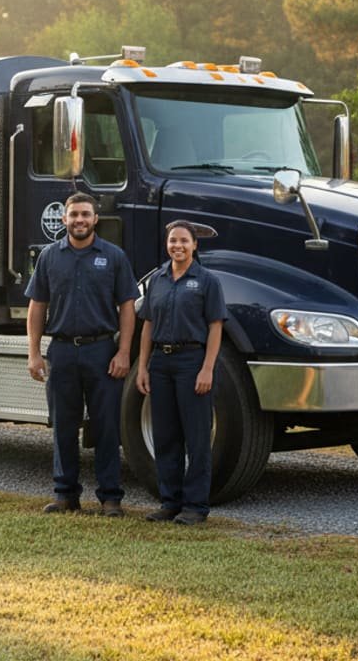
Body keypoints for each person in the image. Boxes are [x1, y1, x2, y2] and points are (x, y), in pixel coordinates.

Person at [25, 192, 135, 517]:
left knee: (106, 427)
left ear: (95, 219)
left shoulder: (114, 257)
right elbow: (37, 306)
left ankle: (110, 498)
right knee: (63, 425)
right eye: (74, 215)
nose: (80, 220)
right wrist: (33, 353)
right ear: (64, 219)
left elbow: (127, 307)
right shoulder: (48, 257)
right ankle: (65, 495)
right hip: (60, 351)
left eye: (86, 214)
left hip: (102, 351)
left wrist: (124, 352)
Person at [135, 220, 227, 525]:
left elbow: (216, 327)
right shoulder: (157, 280)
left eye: (184, 241)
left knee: (197, 438)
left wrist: (207, 369)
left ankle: (195, 507)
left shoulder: (207, 281)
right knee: (165, 437)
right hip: (161, 362)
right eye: (173, 241)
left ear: (194, 245)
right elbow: (147, 324)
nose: (178, 246)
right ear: (167, 244)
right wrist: (143, 367)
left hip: (192, 362)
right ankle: (170, 502)